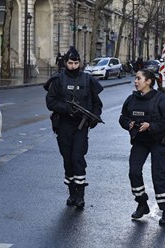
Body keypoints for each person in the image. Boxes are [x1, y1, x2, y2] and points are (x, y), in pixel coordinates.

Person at [45, 46, 104, 209]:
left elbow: (97, 104)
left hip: (81, 126)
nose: (73, 66)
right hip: (64, 124)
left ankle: (80, 195)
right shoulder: (58, 80)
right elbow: (50, 102)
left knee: (78, 157)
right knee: (68, 159)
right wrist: (65, 108)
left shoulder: (87, 79)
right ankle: (71, 192)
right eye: (70, 63)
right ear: (65, 63)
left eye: (76, 63)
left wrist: (93, 118)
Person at [119, 69, 165, 225]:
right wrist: (128, 124)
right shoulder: (131, 99)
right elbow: (122, 117)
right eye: (135, 79)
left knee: (158, 175)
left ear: (148, 81)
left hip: (157, 141)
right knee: (134, 172)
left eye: (138, 78)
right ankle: (142, 204)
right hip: (140, 142)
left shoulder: (161, 99)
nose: (135, 81)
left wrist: (150, 126)